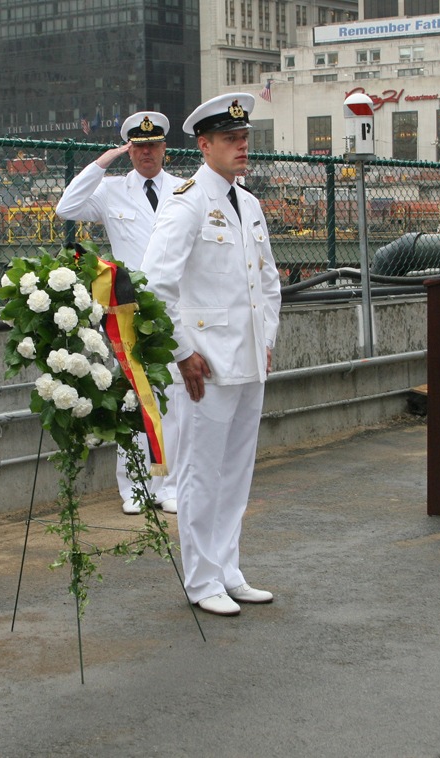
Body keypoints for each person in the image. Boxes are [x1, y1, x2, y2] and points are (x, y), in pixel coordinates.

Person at [140, 93, 281, 616]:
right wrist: (180, 352)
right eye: (230, 140)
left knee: (237, 472)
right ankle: (201, 580)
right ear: (205, 145)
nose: (242, 147)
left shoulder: (249, 201)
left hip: (247, 360)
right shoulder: (188, 199)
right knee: (201, 473)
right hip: (206, 364)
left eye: (244, 139)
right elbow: (156, 284)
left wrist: (265, 341)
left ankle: (228, 568)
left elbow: (268, 282)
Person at [56, 111, 180, 516]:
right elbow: (66, 207)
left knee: (174, 400)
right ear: (131, 150)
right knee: (132, 400)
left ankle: (169, 484)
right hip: (126, 309)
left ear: (165, 148)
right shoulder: (111, 190)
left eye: (154, 145)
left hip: (174, 308)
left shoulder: (184, 189)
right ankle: (134, 486)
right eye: (139, 147)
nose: (147, 153)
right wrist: (102, 162)